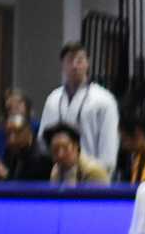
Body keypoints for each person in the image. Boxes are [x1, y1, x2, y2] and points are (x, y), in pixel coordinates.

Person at [38, 41, 119, 170]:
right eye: (70, 61)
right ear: (63, 65)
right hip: (57, 172)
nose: (75, 66)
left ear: (88, 63)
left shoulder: (104, 100)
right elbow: (43, 141)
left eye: (80, 60)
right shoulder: (53, 99)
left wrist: (102, 174)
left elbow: (108, 145)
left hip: (91, 172)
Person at [0, 114, 49, 181]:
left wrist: (1, 170)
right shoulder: (12, 149)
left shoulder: (41, 156)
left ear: (29, 131)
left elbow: (26, 189)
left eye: (17, 133)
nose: (12, 139)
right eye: (8, 134)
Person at [44, 123, 112, 187]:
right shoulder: (56, 170)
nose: (60, 154)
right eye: (55, 149)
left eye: (65, 148)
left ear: (76, 146)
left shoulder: (94, 171)